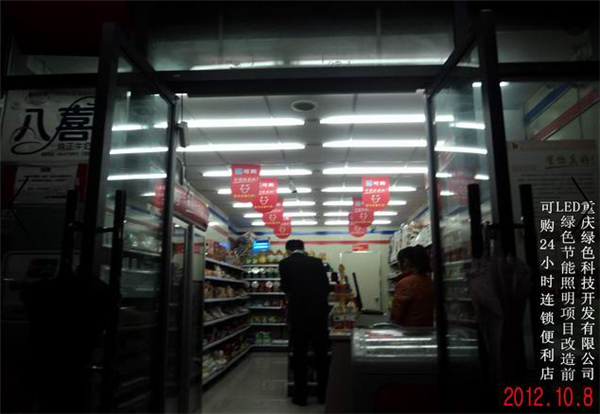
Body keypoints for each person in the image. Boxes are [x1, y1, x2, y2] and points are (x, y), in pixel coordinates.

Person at [279, 240, 331, 406]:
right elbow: (326, 287)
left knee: (299, 354)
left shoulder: (284, 263)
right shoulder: (317, 262)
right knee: (321, 354)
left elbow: (285, 288)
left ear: (288, 250)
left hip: (298, 313)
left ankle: (301, 397)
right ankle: (323, 396)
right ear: (303, 249)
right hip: (318, 313)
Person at [391, 245, 435, 327]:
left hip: (409, 329)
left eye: (399, 262)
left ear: (406, 262)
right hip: (427, 328)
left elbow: (396, 314)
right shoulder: (429, 281)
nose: (399, 265)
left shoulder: (406, 283)